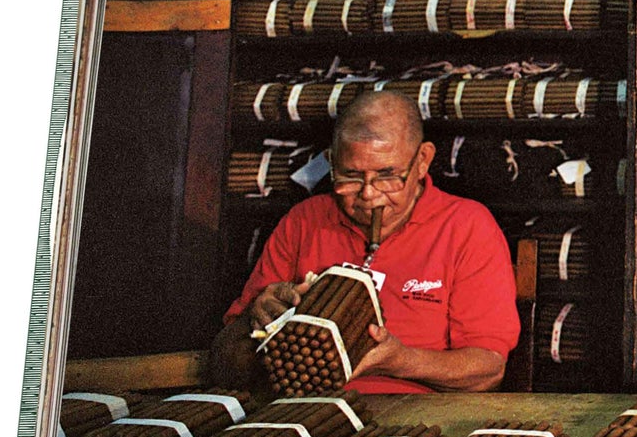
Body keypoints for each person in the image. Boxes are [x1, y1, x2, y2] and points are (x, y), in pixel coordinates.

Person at [211, 89, 519, 394]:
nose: (369, 194)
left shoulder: (466, 227)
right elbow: (225, 358)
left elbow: (488, 369)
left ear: (423, 160)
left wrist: (399, 361)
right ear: (332, 162)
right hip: (304, 409)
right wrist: (256, 316)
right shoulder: (304, 221)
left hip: (413, 420)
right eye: (351, 176)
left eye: (387, 175)